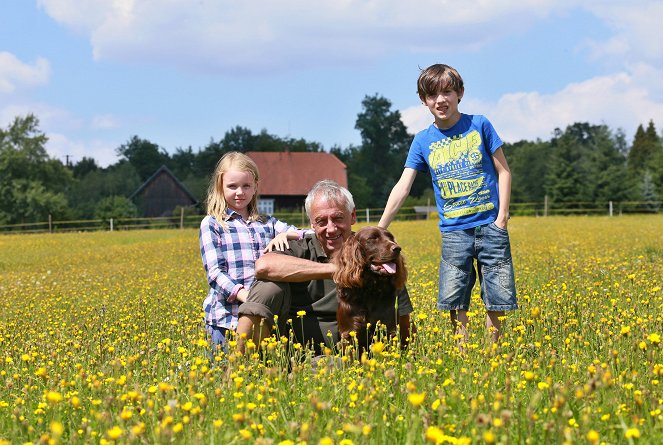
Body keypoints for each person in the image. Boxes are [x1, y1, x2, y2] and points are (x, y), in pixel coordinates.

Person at [378, 63, 517, 344]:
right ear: (423, 100)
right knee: (455, 296)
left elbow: (504, 172)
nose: (440, 100)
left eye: (447, 92)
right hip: (454, 231)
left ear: (460, 93)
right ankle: (462, 352)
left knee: (497, 294)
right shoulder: (422, 141)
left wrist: (501, 217)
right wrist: (380, 228)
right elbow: (403, 186)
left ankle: (494, 354)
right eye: (432, 95)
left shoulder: (480, 125)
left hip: (491, 226)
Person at [236, 180, 413, 354]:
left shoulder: (374, 256)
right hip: (293, 353)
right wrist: (338, 270)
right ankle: (243, 367)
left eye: (337, 218)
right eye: (321, 221)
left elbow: (404, 327)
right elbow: (264, 266)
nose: (331, 229)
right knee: (267, 287)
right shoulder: (301, 248)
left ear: (352, 216)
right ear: (312, 224)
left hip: (353, 360)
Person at [200, 151, 306, 359]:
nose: (240, 192)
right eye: (232, 186)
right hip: (225, 320)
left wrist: (285, 234)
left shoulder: (268, 223)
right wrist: (245, 296)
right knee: (224, 379)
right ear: (220, 186)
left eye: (246, 186)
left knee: (260, 377)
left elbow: (306, 234)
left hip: (262, 318)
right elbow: (214, 273)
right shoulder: (213, 224)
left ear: (256, 186)